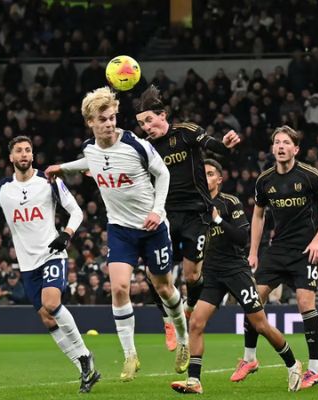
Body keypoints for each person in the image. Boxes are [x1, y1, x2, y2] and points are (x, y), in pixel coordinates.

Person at [45, 87, 188, 381]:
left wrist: (157, 211)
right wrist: (62, 168)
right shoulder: (90, 148)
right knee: (120, 288)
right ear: (90, 122)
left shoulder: (136, 145)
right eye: (103, 119)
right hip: (121, 229)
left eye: (112, 118)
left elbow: (163, 173)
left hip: (152, 228)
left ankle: (184, 340)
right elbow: (90, 162)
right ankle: (130, 355)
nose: (109, 124)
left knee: (164, 288)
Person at [0, 135, 100, 393]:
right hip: (27, 264)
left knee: (51, 303)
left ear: (33, 155)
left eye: (27, 150)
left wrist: (66, 235)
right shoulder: (2, 188)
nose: (24, 154)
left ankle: (86, 356)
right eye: (19, 151)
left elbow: (76, 211)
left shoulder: (48, 180)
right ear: (11, 157)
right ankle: (85, 369)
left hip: (52, 254)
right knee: (47, 318)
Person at [171, 160, 303, 394]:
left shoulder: (230, 203)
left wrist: (217, 219)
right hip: (211, 273)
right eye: (203, 173)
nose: (206, 177)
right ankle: (194, 380)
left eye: (210, 173)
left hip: (235, 271)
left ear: (219, 179)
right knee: (196, 323)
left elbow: (242, 238)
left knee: (260, 324)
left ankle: (293, 364)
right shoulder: (193, 206)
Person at [135, 85, 241, 349]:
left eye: (149, 120)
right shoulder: (145, 147)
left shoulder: (186, 131)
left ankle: (190, 307)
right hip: (165, 215)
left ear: (163, 115)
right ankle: (168, 321)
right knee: (152, 273)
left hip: (196, 214)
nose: (146, 127)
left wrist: (225, 145)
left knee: (192, 276)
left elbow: (213, 145)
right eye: (141, 123)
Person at [236, 125, 318, 388]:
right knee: (252, 300)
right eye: (277, 142)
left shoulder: (310, 176)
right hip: (277, 250)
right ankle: (249, 358)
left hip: (304, 251)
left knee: (305, 304)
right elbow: (258, 215)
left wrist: (317, 241)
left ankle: (314, 369)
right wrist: (253, 252)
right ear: (273, 148)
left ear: (296, 149)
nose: (281, 146)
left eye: (286, 143)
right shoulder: (264, 180)